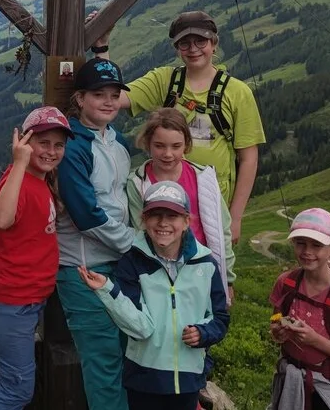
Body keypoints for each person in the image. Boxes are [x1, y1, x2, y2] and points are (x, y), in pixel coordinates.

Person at [92, 10, 265, 247]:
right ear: (177, 48)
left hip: (212, 210)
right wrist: (101, 47)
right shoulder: (165, 80)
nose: (193, 48)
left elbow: (248, 158)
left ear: (214, 44)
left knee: (210, 274)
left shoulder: (237, 93)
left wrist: (234, 218)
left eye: (200, 41)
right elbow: (114, 97)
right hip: (163, 208)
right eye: (185, 43)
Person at [77, 181, 230, 410]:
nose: (163, 223)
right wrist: (108, 290)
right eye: (155, 215)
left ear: (186, 221)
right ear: (143, 220)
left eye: (172, 215)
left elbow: (220, 318)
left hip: (187, 379)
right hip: (144, 379)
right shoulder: (131, 263)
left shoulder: (206, 265)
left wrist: (203, 333)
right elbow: (141, 328)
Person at [0, 106, 71, 410]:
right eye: (43, 143)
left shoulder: (41, 179)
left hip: (23, 302)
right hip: (10, 303)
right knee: (18, 390)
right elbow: (1, 219)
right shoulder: (19, 178)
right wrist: (19, 163)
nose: (51, 151)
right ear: (26, 141)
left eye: (58, 145)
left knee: (1, 378)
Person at [54, 57, 135, 410]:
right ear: (80, 99)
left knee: (122, 355)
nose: (108, 101)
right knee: (103, 362)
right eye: (98, 94)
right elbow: (85, 214)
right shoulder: (73, 147)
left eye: (114, 94)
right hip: (85, 270)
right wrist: (135, 244)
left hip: (116, 266)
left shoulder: (118, 146)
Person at [126, 107, 235, 305]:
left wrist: (226, 278)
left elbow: (222, 229)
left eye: (176, 146)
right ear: (148, 143)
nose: (168, 154)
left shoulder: (203, 178)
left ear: (186, 144)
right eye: (159, 146)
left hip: (201, 265)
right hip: (158, 272)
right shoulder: (137, 183)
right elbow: (138, 232)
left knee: (201, 327)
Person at [267, 208, 330, 410]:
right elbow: (276, 321)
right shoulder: (285, 283)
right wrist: (278, 332)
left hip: (327, 389)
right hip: (290, 380)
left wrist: (314, 340)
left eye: (317, 245)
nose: (307, 252)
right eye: (300, 243)